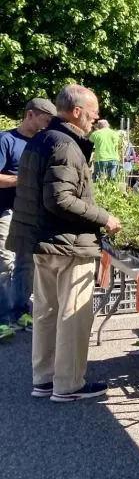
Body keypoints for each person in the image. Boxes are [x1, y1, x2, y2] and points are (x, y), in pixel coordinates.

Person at [9, 84, 121, 401]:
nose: (95, 119)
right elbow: (60, 199)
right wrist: (104, 217)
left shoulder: (41, 139)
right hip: (68, 244)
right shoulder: (65, 144)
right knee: (73, 314)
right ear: (76, 111)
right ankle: (69, 384)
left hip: (43, 241)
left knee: (46, 312)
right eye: (92, 113)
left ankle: (44, 379)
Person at [0, 98, 56, 342]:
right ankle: (3, 318)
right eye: (45, 117)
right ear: (30, 114)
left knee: (26, 264)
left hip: (30, 213)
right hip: (6, 211)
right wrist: (24, 179)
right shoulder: (6, 140)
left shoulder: (42, 142)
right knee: (4, 263)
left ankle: (21, 311)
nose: (48, 123)